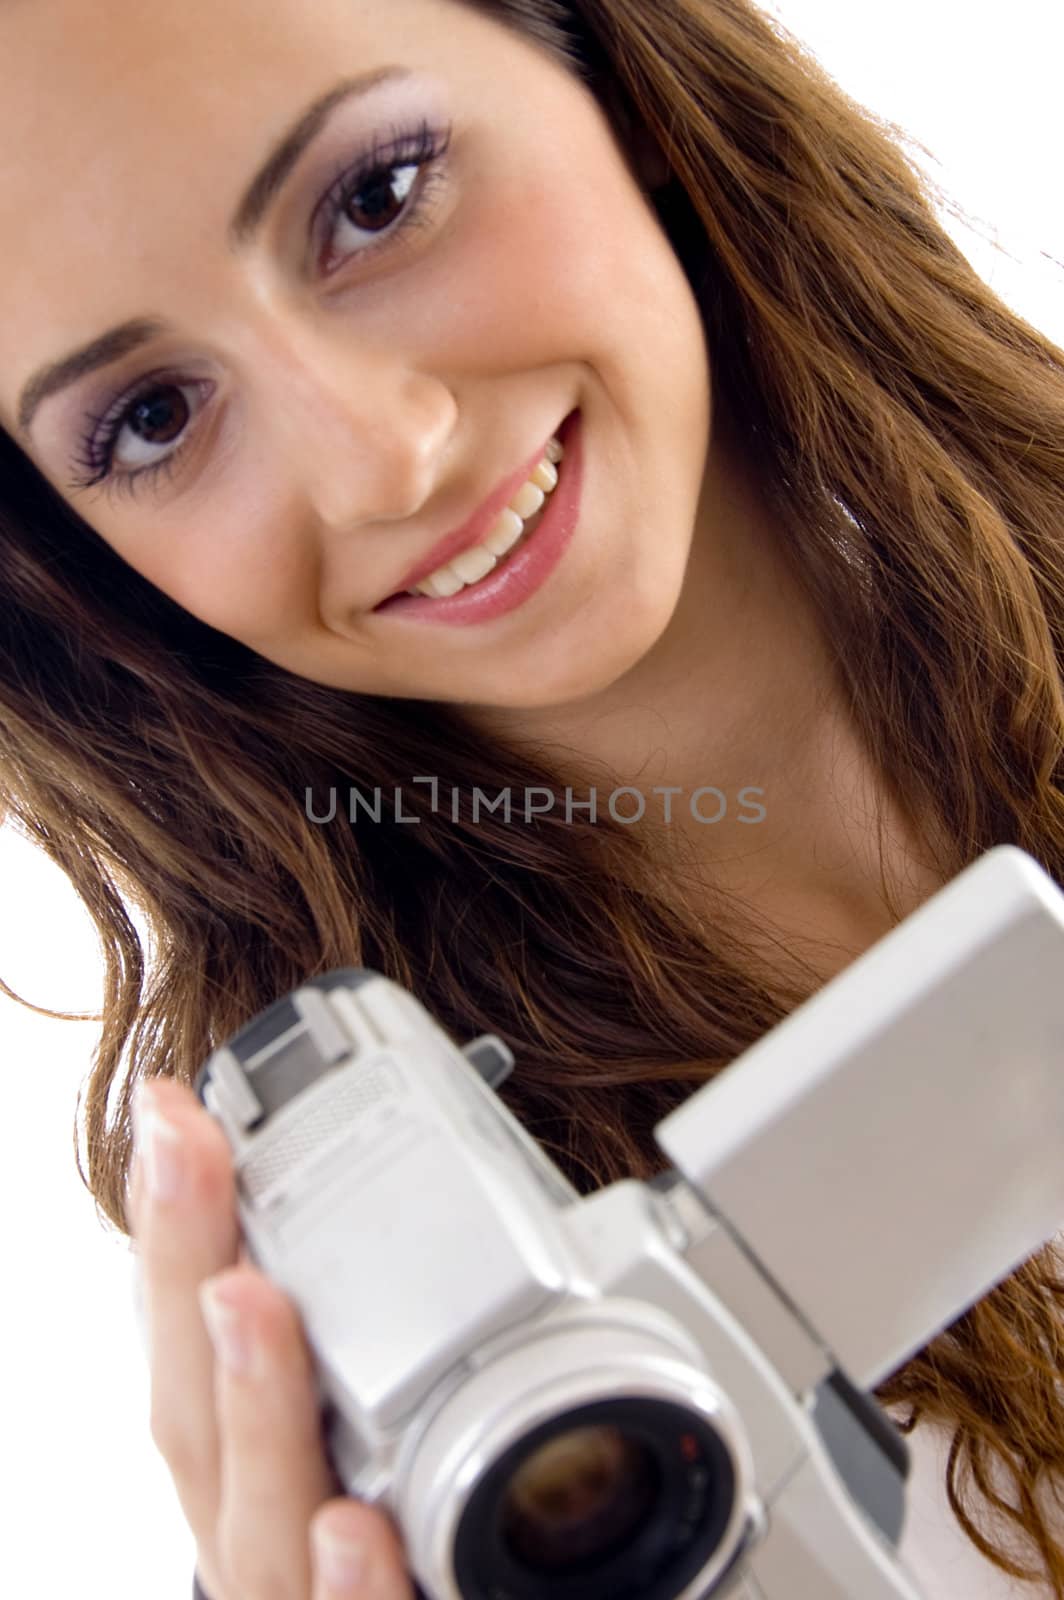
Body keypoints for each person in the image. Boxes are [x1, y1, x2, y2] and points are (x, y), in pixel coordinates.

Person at [1, 0, 1062, 1594]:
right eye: (151, 416)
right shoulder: (393, 1315)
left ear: (603, 65)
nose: (386, 461)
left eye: (376, 198)